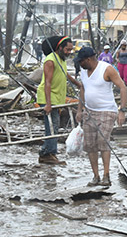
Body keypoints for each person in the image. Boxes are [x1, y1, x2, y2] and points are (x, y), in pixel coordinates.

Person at [75, 47, 127, 187]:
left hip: (107, 111)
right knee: (90, 145)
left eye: (81, 61)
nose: (79, 64)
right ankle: (96, 176)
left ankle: (106, 175)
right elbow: (82, 89)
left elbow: (122, 87)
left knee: (103, 142)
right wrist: (80, 110)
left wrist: (122, 110)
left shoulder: (107, 69)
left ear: (88, 59)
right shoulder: (84, 72)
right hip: (89, 111)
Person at [37, 36, 81, 165]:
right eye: (67, 49)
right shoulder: (50, 61)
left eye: (70, 50)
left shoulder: (61, 60)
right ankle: (47, 153)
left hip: (57, 98)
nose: (69, 52)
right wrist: (48, 104)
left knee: (54, 126)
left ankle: (49, 152)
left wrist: (77, 84)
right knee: (52, 126)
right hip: (48, 98)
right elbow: (48, 83)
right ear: (60, 48)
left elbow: (65, 74)